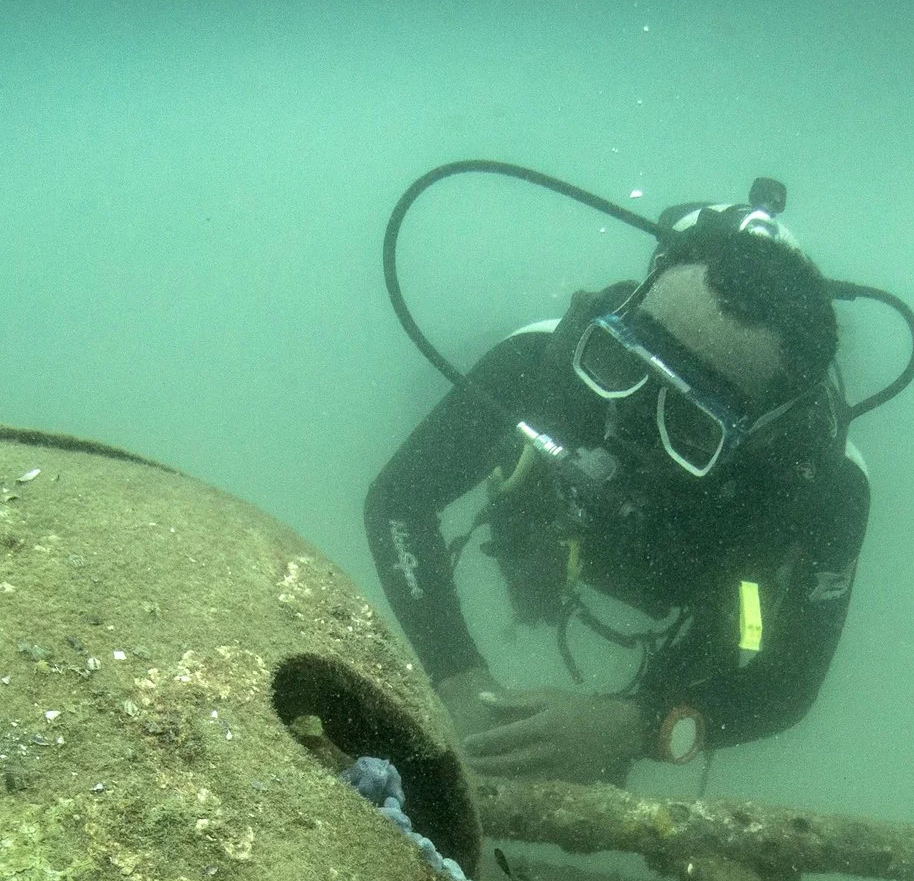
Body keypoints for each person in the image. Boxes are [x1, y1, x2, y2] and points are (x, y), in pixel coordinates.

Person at [365, 200, 872, 785]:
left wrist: (635, 728)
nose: (623, 424)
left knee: (707, 649)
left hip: (699, 595)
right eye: (617, 365)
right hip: (545, 528)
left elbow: (787, 686)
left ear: (764, 437)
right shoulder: (542, 358)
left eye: (691, 424)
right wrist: (457, 677)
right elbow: (400, 500)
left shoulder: (824, 492)